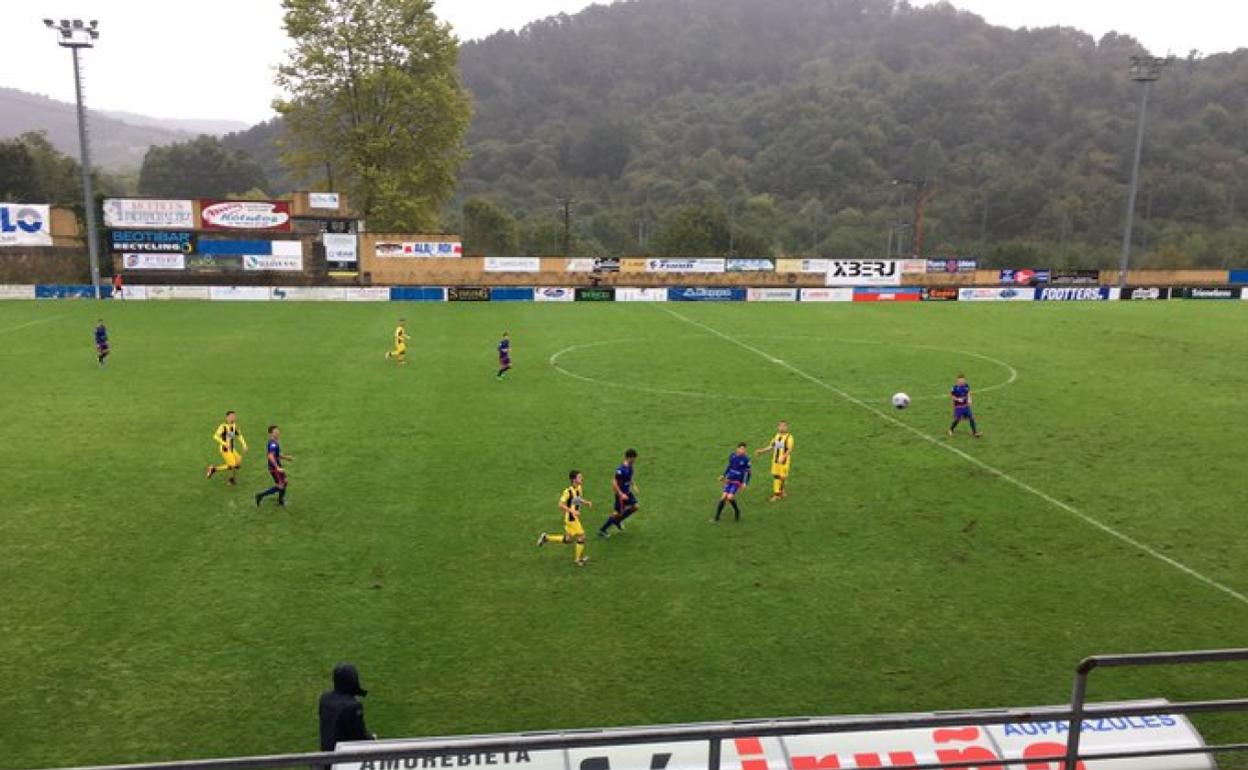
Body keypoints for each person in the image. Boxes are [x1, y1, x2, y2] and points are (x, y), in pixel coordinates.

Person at [537, 470, 592, 566]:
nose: (582, 478)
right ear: (574, 479)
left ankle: (546, 538)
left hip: (573, 518)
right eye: (579, 477)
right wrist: (572, 511)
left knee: (568, 539)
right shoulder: (568, 492)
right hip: (571, 518)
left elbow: (577, 499)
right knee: (582, 536)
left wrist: (586, 502)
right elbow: (560, 504)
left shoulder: (579, 488)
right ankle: (578, 560)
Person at [318, 663, 375, 753]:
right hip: (342, 758)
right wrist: (373, 738)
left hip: (325, 755)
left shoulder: (325, 698)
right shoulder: (352, 706)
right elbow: (360, 737)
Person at [599, 449, 639, 537]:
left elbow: (630, 477)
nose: (635, 460)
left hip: (627, 493)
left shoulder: (630, 466)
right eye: (634, 458)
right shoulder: (621, 470)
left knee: (635, 507)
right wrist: (621, 494)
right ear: (629, 458)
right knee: (617, 513)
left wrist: (634, 485)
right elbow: (614, 482)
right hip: (621, 495)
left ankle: (618, 521)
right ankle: (602, 530)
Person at [206, 411, 248, 486]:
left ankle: (231, 479)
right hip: (225, 449)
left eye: (234, 416)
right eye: (232, 416)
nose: (234, 417)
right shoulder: (223, 426)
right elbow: (215, 436)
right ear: (227, 417)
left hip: (231, 448)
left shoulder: (234, 425)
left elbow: (239, 435)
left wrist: (244, 445)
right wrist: (224, 443)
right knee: (232, 464)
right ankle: (214, 469)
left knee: (238, 462)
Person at [255, 425, 293, 507]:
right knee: (281, 486)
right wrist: (277, 468)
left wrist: (286, 458)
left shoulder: (274, 442)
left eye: (278, 431)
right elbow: (271, 456)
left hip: (277, 466)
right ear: (271, 434)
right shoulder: (273, 443)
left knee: (285, 482)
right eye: (275, 432)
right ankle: (261, 495)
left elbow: (276, 454)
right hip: (274, 469)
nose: (278, 433)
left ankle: (280, 500)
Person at [713, 443, 752, 522]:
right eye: (741, 449)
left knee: (730, 497)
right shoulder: (732, 456)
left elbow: (749, 472)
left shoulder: (746, 459)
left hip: (737, 481)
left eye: (744, 449)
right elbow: (729, 466)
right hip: (729, 479)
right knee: (723, 497)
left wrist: (745, 483)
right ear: (737, 449)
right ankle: (716, 517)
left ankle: (737, 511)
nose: (742, 451)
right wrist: (723, 475)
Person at [756, 421, 793, 502]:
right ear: (778, 427)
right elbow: (771, 447)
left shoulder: (789, 437)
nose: (782, 428)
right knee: (776, 476)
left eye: (784, 426)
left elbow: (789, 450)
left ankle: (780, 493)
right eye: (780, 426)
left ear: (787, 427)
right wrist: (761, 451)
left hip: (784, 462)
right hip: (775, 461)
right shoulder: (776, 436)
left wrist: (783, 457)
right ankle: (778, 494)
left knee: (782, 477)